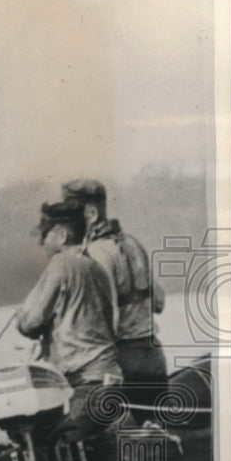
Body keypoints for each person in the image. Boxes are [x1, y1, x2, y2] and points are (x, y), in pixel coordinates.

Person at [16, 201, 123, 442]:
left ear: (62, 235)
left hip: (88, 384)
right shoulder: (95, 267)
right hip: (108, 380)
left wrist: (20, 318)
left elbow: (31, 323)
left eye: (45, 233)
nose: (42, 241)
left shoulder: (61, 264)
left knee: (57, 448)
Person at [61, 178, 168, 409]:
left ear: (89, 213)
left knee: (116, 437)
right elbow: (158, 302)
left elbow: (100, 323)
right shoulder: (133, 244)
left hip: (123, 362)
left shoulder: (93, 255)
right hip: (153, 357)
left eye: (70, 216)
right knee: (155, 435)